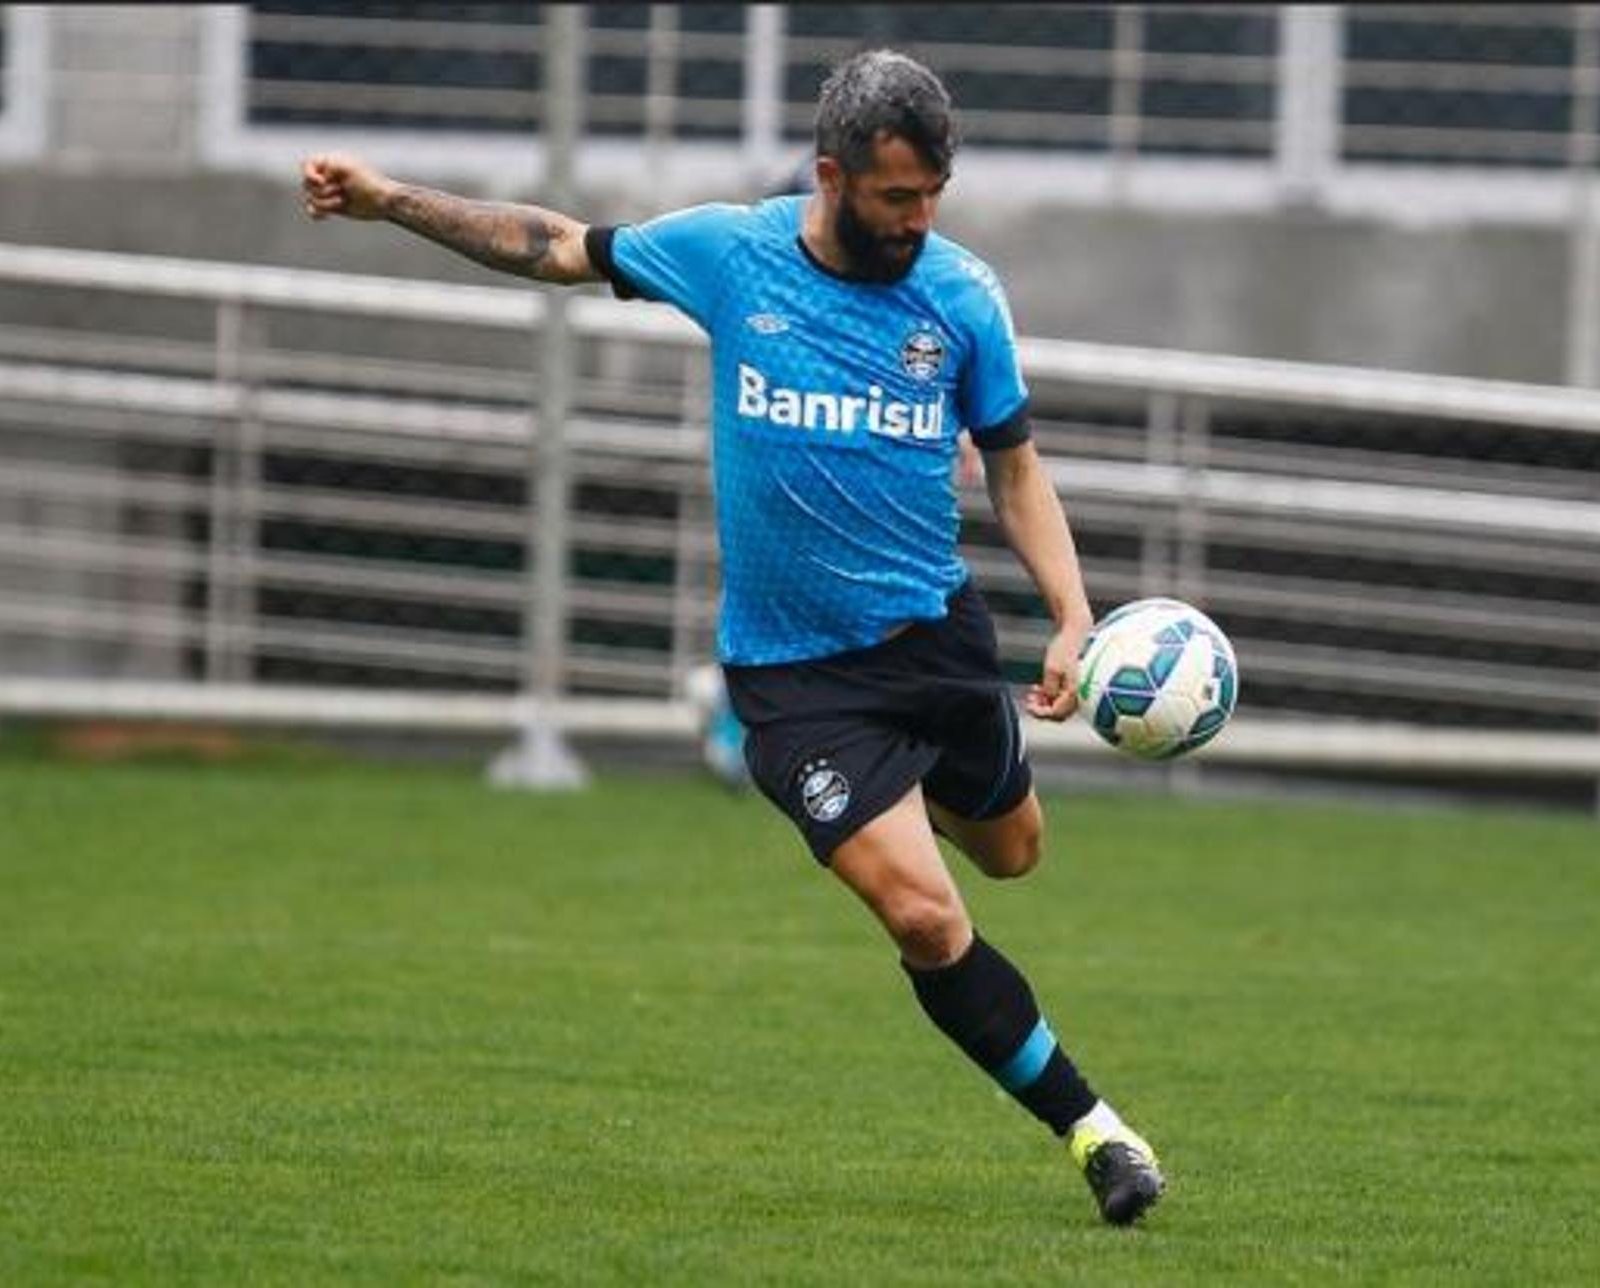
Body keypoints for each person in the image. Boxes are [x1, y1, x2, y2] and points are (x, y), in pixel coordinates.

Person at [301, 48, 1165, 1227]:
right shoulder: (733, 254)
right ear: (832, 174)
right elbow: (554, 244)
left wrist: (1073, 617)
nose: (918, 219)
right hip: (793, 679)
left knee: (1014, 853)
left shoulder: (962, 296)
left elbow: (1014, 469)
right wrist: (391, 198)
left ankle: (919, 793)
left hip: (935, 641)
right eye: (896, 196)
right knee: (923, 914)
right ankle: (1095, 1132)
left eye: (933, 197)